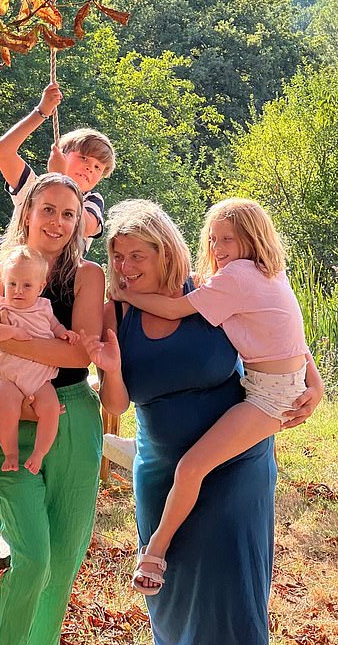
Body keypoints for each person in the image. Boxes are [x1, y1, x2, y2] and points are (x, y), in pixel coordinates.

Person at [81, 199, 323, 645]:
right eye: (117, 256)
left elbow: (279, 329)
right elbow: (117, 402)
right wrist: (112, 367)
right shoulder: (115, 311)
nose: (124, 268)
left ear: (165, 250)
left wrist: (313, 382)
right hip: (161, 461)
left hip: (238, 456)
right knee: (172, 575)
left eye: (136, 255)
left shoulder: (205, 291)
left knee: (222, 578)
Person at [116, 198, 314, 595]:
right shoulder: (270, 272)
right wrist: (313, 378)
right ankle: (136, 448)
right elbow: (290, 331)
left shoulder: (237, 276)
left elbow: (174, 311)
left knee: (190, 468)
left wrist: (125, 296)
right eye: (213, 238)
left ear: (253, 239)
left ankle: (154, 551)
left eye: (229, 239)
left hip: (269, 397)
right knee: (192, 462)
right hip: (275, 385)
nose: (219, 248)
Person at [0, 173, 105, 645]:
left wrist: (18, 343)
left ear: (78, 224)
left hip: (71, 416)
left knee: (65, 551)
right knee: (31, 554)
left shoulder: (87, 277)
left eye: (68, 214)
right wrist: (2, 396)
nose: (57, 222)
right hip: (8, 421)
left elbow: (80, 356)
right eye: (47, 209)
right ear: (26, 211)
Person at [0, 244, 79, 474]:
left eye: (27, 285)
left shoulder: (44, 307)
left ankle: (39, 453)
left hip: (39, 376)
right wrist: (12, 332)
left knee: (52, 408)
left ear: (40, 287)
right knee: (7, 409)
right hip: (6, 376)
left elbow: (54, 326)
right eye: (12, 283)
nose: (18, 290)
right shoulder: (1, 306)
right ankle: (11, 454)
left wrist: (64, 332)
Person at [0, 82, 115, 251]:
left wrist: (61, 179)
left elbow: (86, 227)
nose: (90, 168)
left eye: (97, 168)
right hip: (21, 273)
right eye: (84, 158)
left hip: (64, 276)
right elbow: (3, 151)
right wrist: (41, 112)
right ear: (60, 153)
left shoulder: (91, 200)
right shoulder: (33, 187)